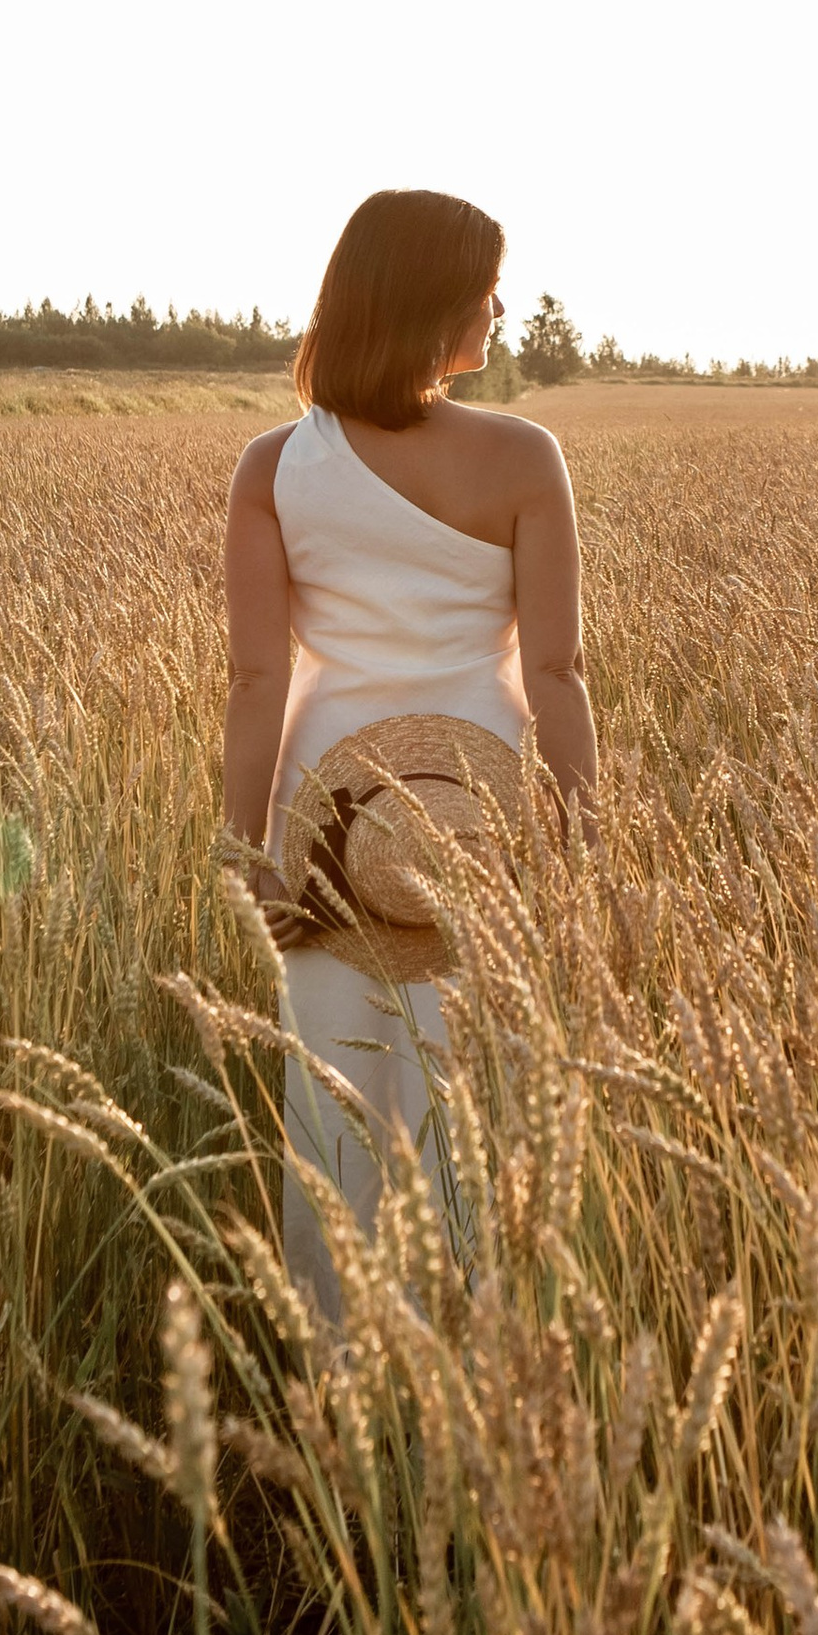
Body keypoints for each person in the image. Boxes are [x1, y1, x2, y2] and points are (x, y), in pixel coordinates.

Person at [221, 188, 598, 1314]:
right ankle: (478, 1341)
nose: (500, 308)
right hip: (480, 791)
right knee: (474, 1082)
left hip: (328, 804)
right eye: (488, 287)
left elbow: (256, 681)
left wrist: (247, 857)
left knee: (337, 1089)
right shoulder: (524, 455)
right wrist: (579, 849)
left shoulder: (272, 467)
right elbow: (557, 673)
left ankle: (342, 1354)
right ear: (436, 302)